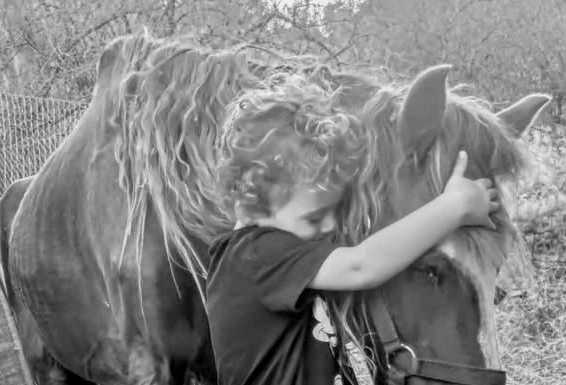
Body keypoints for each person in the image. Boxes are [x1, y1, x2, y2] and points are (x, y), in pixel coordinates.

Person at [207, 74, 499, 385]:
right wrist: (456, 205)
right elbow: (362, 265)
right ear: (255, 200)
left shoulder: (286, 256)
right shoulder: (252, 257)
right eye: (315, 217)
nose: (331, 226)